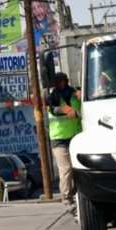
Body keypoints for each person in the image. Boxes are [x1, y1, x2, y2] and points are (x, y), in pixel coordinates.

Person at [47, 72, 82, 208]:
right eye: (58, 82)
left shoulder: (75, 93)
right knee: (66, 168)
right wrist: (66, 110)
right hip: (59, 138)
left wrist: (81, 95)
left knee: (77, 168)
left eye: (62, 81)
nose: (60, 84)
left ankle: (77, 193)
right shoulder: (53, 97)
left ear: (66, 81)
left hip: (76, 136)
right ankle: (66, 197)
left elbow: (84, 107)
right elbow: (54, 109)